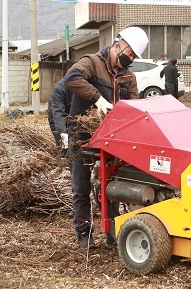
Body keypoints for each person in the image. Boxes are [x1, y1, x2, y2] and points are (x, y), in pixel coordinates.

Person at [63, 26, 148, 249]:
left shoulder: (128, 77)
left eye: (133, 58)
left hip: (111, 138)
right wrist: (97, 98)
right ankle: (84, 232)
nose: (129, 60)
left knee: (110, 185)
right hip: (82, 133)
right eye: (128, 54)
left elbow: (134, 105)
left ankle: (113, 232)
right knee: (81, 185)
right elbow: (71, 78)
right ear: (117, 45)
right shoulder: (91, 62)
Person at [47, 79, 73, 156]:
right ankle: (63, 162)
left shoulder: (82, 86)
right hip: (57, 117)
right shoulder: (60, 89)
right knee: (64, 147)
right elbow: (57, 114)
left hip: (72, 115)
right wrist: (63, 134)